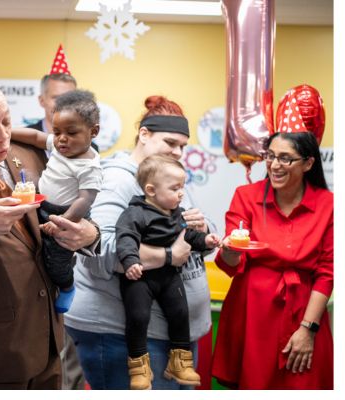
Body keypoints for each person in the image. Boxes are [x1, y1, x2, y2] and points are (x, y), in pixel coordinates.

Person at [0, 79, 100, 389]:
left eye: (6, 120)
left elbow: (72, 201)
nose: (2, 134)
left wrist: (90, 233)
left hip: (49, 342)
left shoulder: (29, 153)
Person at [65, 95, 216, 390]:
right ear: (144, 135)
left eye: (183, 146)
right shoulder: (117, 181)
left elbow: (194, 234)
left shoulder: (165, 175)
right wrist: (170, 254)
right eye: (170, 143)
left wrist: (204, 231)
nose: (177, 152)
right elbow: (101, 250)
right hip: (122, 335)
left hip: (169, 335)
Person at [211, 131, 333, 389]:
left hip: (304, 309)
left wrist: (308, 329)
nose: (275, 165)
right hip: (251, 309)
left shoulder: (329, 204)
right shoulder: (246, 196)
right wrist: (230, 249)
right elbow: (232, 263)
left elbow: (328, 272)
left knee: (305, 381)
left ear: (308, 163)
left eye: (286, 159)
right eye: (270, 156)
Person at [116, 154, 221, 389]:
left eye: (182, 187)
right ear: (151, 190)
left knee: (179, 313)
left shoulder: (177, 213)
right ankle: (139, 367)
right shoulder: (135, 213)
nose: (181, 193)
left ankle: (180, 362)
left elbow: (189, 236)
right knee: (138, 317)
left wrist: (206, 239)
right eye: (175, 188)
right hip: (140, 278)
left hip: (169, 276)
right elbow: (125, 239)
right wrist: (131, 261)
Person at [11, 89, 102, 314]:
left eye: (71, 132)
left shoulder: (89, 166)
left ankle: (67, 286)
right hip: (44, 205)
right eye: (57, 130)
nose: (61, 138)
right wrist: (7, 132)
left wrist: (63, 221)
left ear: (94, 132)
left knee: (56, 263)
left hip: (68, 215)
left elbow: (85, 200)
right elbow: (35, 137)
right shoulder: (62, 147)